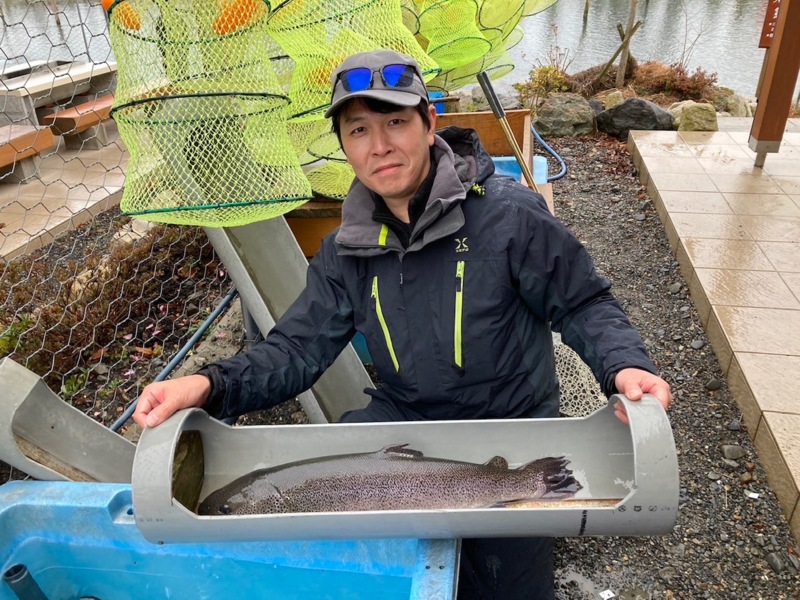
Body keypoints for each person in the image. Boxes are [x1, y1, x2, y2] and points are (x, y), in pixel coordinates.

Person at [133, 49, 672, 599]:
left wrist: (625, 366)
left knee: (509, 582)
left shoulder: (510, 216)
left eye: (395, 121)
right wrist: (208, 384)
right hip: (405, 418)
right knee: (377, 555)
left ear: (429, 122)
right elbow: (295, 350)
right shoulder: (345, 250)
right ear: (343, 146)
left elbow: (583, 301)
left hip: (510, 415)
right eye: (359, 129)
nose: (379, 144)